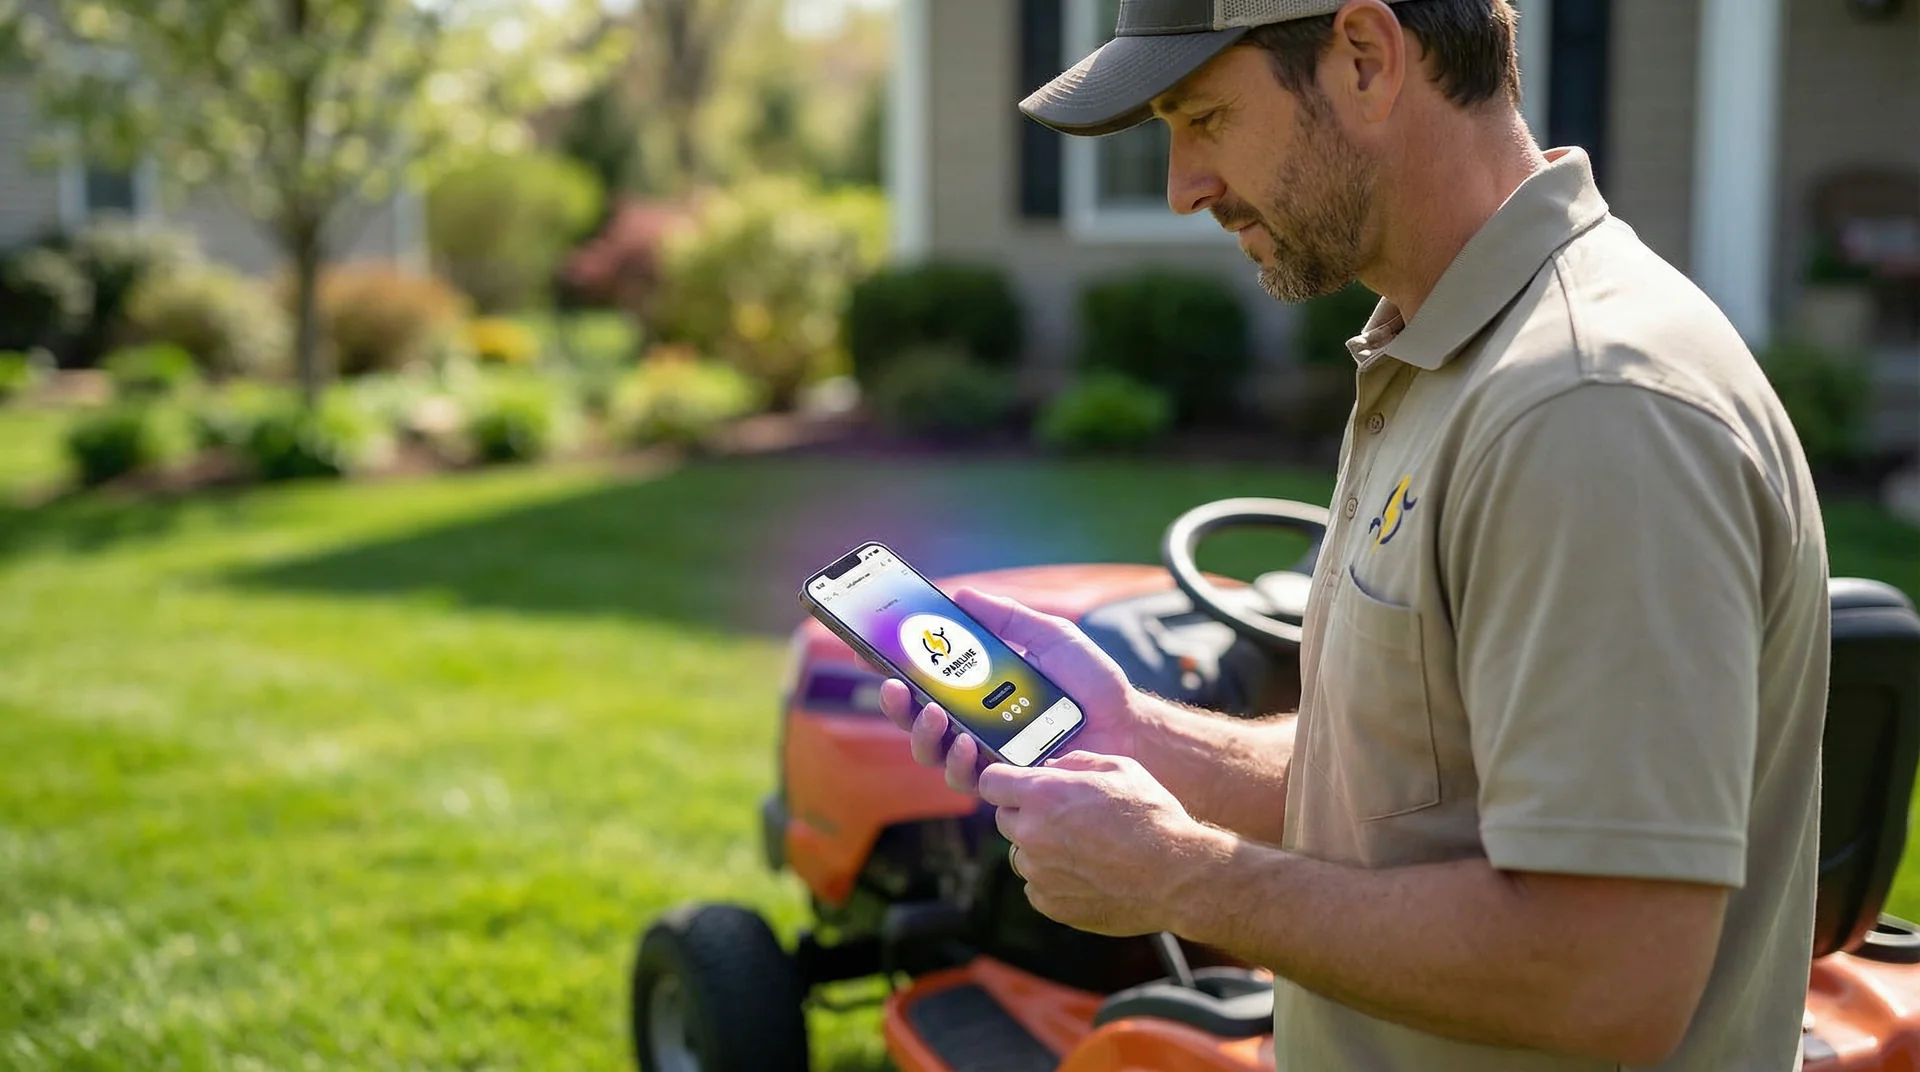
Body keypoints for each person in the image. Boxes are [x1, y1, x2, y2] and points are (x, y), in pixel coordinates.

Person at [875, 0, 1832, 1068]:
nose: (1183, 186)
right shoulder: (1447, 352)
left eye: (1204, 118)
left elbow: (1605, 973)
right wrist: (1139, 735)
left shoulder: (1587, 404)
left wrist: (1179, 876)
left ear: (1367, 60)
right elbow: (1421, 787)